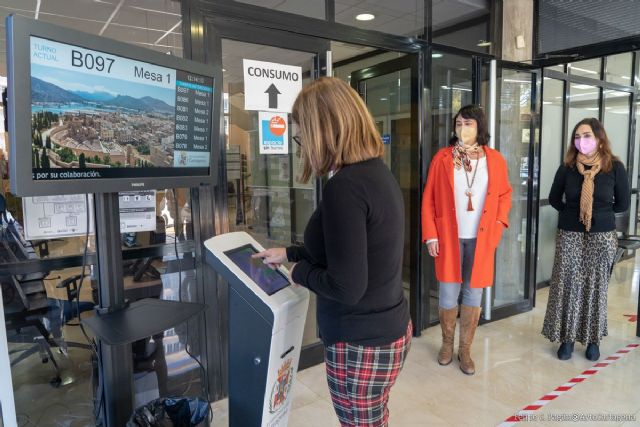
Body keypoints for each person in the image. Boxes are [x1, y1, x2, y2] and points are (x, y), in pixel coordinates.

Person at [253, 77, 411, 427]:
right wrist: (292, 253)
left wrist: (297, 273)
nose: (301, 147)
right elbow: (350, 248)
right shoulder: (375, 174)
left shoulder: (345, 188)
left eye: (301, 136)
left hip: (360, 345)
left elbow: (346, 286)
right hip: (389, 330)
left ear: (323, 131)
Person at [421, 105, 512, 375]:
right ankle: (447, 344)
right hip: (449, 237)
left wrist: (498, 224)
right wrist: (430, 235)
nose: (462, 128)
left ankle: (465, 350)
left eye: (468, 123)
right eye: (458, 123)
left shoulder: (494, 160)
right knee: (448, 292)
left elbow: (505, 195)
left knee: (474, 292)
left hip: (481, 239)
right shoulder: (443, 158)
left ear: (479, 127)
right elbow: (429, 199)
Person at [542, 118, 629, 361]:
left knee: (595, 288)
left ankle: (593, 340)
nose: (582, 141)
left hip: (602, 237)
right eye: (577, 137)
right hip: (570, 234)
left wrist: (598, 216)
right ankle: (567, 339)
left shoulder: (615, 168)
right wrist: (573, 215)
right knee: (567, 287)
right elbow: (554, 198)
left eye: (587, 135)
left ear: (600, 138)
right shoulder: (568, 167)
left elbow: (622, 204)